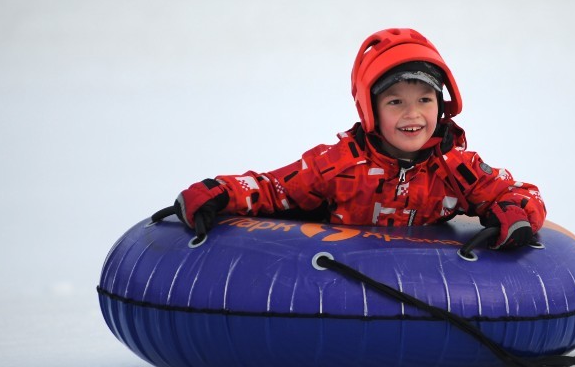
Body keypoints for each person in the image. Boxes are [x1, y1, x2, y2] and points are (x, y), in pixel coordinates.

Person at [171, 28, 546, 248]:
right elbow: (274, 189)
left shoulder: (456, 168)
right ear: (370, 109)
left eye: (424, 100)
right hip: (340, 281)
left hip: (429, 287)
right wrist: (219, 191)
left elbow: (519, 192)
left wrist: (514, 214)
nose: (412, 114)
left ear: (442, 103)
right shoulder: (337, 164)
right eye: (395, 101)